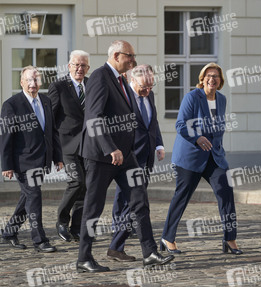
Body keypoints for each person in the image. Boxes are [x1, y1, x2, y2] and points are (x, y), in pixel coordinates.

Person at [76, 40, 174, 273]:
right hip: (102, 156)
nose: (133, 60)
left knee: (140, 201)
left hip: (125, 156)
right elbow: (94, 117)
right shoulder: (101, 76)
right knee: (93, 207)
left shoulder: (120, 80)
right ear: (117, 55)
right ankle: (83, 258)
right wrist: (110, 148)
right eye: (130, 56)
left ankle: (149, 253)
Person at [160, 62, 242, 255]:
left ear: (220, 81)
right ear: (202, 79)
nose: (212, 79)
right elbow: (181, 125)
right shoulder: (192, 97)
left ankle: (230, 238)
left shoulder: (221, 99)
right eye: (208, 75)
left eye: (216, 76)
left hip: (215, 156)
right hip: (191, 155)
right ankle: (167, 238)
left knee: (226, 193)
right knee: (182, 197)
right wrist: (197, 138)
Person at [0, 66, 63, 252]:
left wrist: (58, 157)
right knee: (34, 197)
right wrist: (6, 165)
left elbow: (52, 132)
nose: (32, 84)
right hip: (23, 162)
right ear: (21, 82)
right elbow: (6, 137)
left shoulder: (45, 101)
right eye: (28, 80)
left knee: (27, 197)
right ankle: (40, 240)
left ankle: (10, 231)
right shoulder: (11, 105)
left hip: (41, 160)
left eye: (36, 80)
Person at [108, 64, 164, 262]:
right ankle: (136, 249)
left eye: (150, 86)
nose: (147, 91)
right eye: (144, 87)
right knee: (133, 203)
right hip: (129, 157)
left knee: (134, 205)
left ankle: (116, 247)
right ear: (132, 80)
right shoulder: (123, 98)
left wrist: (158, 144)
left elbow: (153, 122)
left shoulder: (150, 95)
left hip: (147, 156)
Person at [48, 50, 90, 242]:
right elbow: (51, 118)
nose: (79, 69)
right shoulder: (58, 87)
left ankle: (78, 228)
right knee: (76, 182)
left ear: (88, 68)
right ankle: (62, 222)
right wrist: (53, 149)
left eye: (83, 66)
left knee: (86, 186)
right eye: (76, 65)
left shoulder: (92, 85)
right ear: (69, 66)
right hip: (67, 145)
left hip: (89, 145)